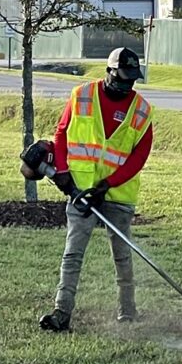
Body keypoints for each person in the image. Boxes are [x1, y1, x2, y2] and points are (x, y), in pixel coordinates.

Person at [38, 47, 154, 332]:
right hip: (81, 191)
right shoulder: (81, 96)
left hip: (117, 194)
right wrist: (63, 172)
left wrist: (107, 185)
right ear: (109, 71)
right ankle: (61, 314)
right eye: (123, 78)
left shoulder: (142, 110)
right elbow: (62, 133)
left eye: (132, 80)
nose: (128, 85)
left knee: (122, 255)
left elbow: (139, 157)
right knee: (73, 253)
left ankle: (128, 311)